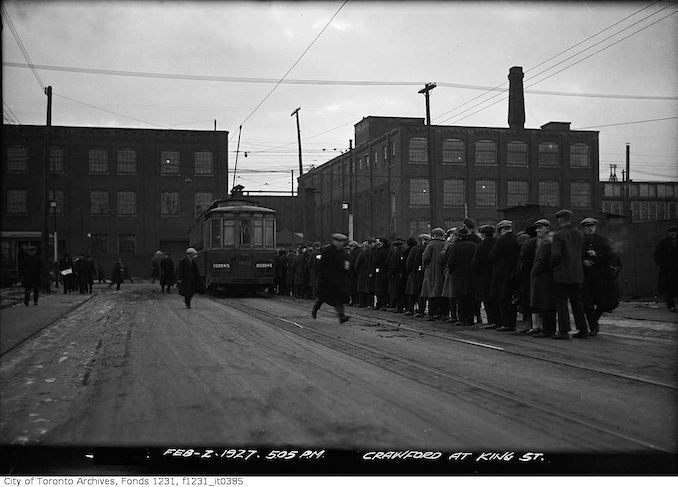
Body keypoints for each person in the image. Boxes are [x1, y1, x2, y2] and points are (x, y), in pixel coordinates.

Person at [550, 209, 588, 339]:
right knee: (577, 302)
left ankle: (564, 331)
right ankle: (583, 329)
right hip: (577, 274)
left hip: (562, 274)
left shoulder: (558, 235)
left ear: (560, 220)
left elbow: (555, 255)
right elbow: (582, 253)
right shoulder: (579, 234)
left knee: (562, 303)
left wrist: (554, 267)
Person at [581, 217, 618, 336]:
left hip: (600, 277)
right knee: (588, 303)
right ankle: (593, 327)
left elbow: (610, 255)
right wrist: (583, 261)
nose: (590, 228)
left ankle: (594, 320)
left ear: (595, 227)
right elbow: (574, 255)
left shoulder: (602, 240)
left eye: (592, 226)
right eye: (587, 226)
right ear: (584, 228)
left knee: (603, 303)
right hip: (585, 277)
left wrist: (597, 254)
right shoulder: (579, 240)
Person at [312, 233, 351, 323]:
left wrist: (346, 270)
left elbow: (346, 263)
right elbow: (322, 266)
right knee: (322, 297)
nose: (340, 244)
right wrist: (327, 277)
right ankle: (316, 307)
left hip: (338, 280)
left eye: (342, 242)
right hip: (326, 280)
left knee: (338, 298)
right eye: (339, 241)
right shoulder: (327, 250)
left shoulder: (342, 252)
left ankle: (342, 316)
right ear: (334, 241)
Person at [489, 220, 520, 332]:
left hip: (501, 274)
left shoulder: (501, 241)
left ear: (502, 230)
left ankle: (504, 323)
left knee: (502, 298)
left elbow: (492, 256)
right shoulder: (517, 239)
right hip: (514, 272)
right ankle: (512, 323)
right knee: (512, 300)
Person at [529, 219, 557, 338]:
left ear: (547, 228)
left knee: (545, 304)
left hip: (543, 278)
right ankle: (549, 329)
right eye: (537, 228)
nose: (537, 230)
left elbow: (542, 261)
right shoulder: (549, 241)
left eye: (540, 228)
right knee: (548, 305)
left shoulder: (545, 243)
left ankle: (547, 330)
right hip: (548, 277)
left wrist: (533, 272)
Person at [447, 226, 478, 326]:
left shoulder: (454, 246)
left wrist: (451, 271)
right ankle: (470, 319)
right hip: (471, 274)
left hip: (458, 274)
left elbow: (451, 261)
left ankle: (462, 319)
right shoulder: (474, 245)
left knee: (460, 298)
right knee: (470, 297)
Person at [473, 225, 500, 329]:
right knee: (496, 298)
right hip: (496, 274)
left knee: (487, 298)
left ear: (483, 234)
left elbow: (475, 263)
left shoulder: (481, 246)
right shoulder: (497, 243)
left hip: (484, 275)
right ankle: (498, 320)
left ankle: (491, 320)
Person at [420, 227, 446, 321]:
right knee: (441, 291)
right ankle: (441, 313)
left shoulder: (431, 244)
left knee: (431, 291)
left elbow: (426, 257)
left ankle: (431, 314)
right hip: (442, 269)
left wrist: (425, 266)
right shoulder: (445, 243)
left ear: (434, 235)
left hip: (432, 269)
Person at [517, 225, 538, 331]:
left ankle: (530, 324)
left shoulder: (527, 244)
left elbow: (522, 260)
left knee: (527, 298)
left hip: (527, 274)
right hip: (537, 273)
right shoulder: (541, 241)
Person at [653, 225, 678, 312]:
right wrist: (663, 264)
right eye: (671, 232)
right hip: (668, 270)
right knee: (669, 289)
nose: (673, 233)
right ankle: (671, 306)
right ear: (668, 233)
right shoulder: (663, 242)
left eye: (674, 231)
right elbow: (657, 255)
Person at [405, 234, 429, 316]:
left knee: (412, 292)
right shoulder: (427, 248)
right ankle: (421, 310)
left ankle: (411, 309)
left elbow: (409, 261)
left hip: (414, 273)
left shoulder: (415, 248)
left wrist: (410, 270)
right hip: (424, 273)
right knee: (421, 293)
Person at [372, 237, 391, 310]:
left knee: (381, 289)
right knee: (379, 289)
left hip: (382, 272)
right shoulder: (382, 250)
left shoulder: (383, 251)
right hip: (381, 272)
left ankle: (382, 304)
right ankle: (380, 303)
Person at [387, 239, 406, 312]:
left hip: (395, 275)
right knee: (400, 291)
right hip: (401, 275)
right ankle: (400, 306)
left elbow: (393, 265)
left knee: (396, 291)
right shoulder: (402, 253)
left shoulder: (395, 254)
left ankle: (398, 307)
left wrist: (390, 273)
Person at [355, 239, 373, 307]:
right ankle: (369, 303)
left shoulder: (361, 255)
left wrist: (358, 272)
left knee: (361, 288)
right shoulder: (371, 254)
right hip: (368, 273)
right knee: (368, 289)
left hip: (361, 273)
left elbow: (357, 265)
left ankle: (362, 303)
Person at [346, 240, 360, 306]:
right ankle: (354, 301)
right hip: (352, 273)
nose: (349, 248)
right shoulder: (353, 253)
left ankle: (355, 301)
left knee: (354, 287)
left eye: (350, 246)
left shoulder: (356, 253)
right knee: (352, 288)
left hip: (354, 273)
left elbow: (354, 264)